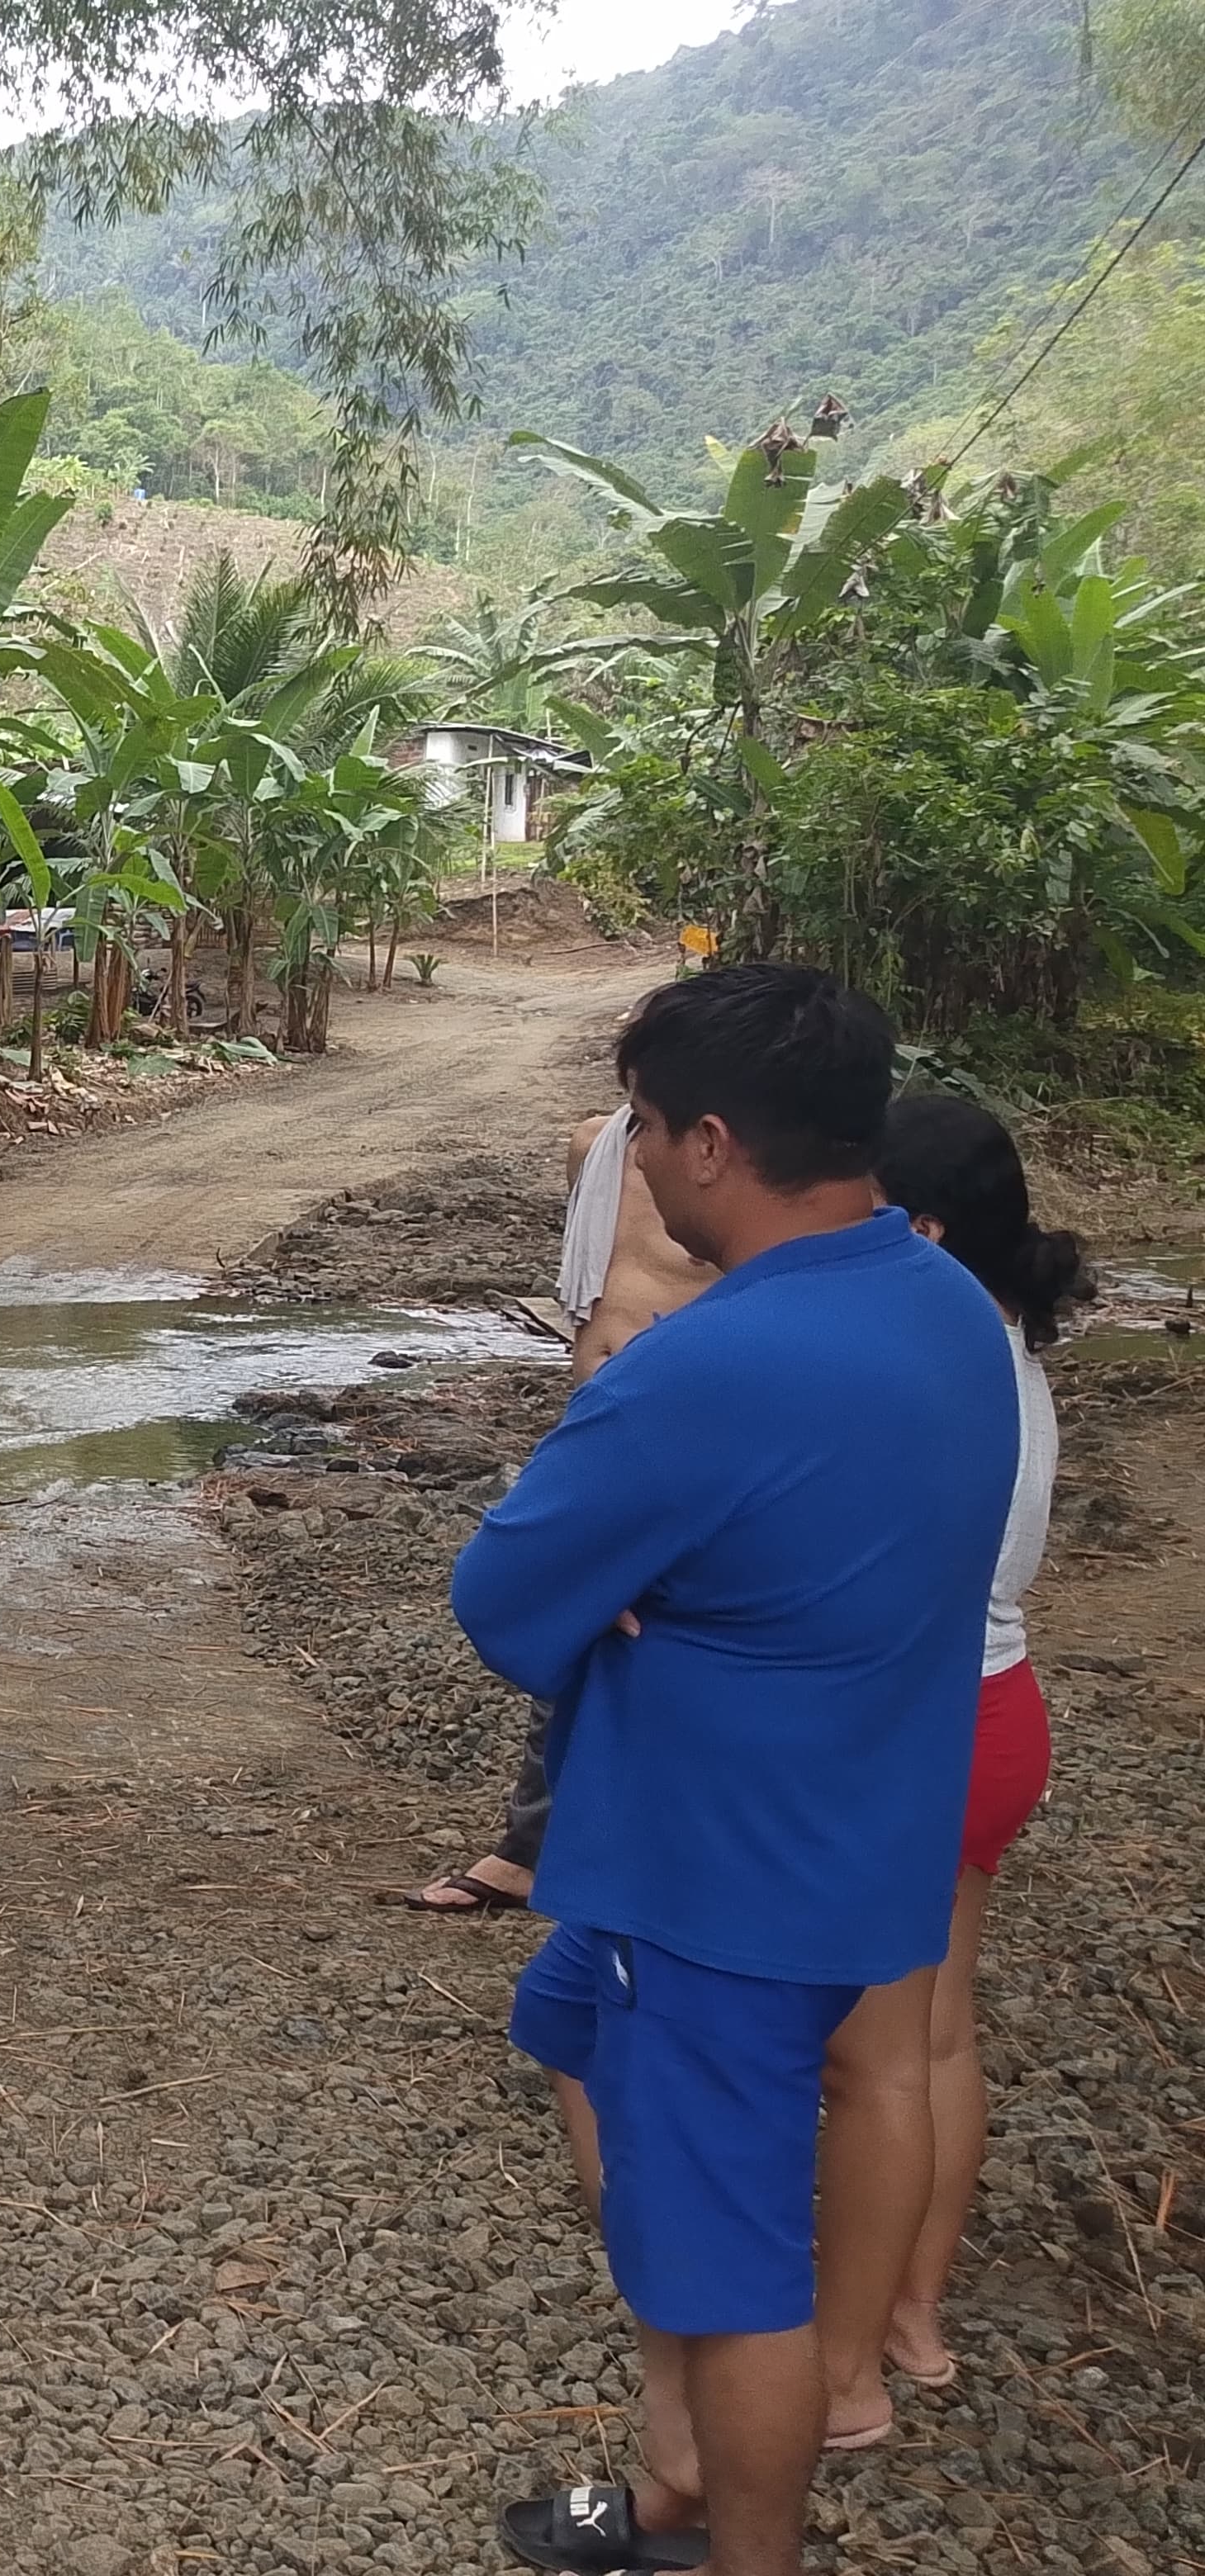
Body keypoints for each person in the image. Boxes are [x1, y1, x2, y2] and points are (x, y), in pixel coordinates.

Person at [451, 966, 1016, 2576]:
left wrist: (627, 1593)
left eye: (640, 1128)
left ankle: (727, 2538)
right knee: (563, 2021)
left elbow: (503, 1601)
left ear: (710, 1143)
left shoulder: (706, 1365)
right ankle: (681, 2466)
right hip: (863, 1842)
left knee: (737, 2272)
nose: (632, 1160)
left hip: (715, 1884)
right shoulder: (944, 1305)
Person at [811, 1095, 1090, 2439]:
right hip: (1002, 1709)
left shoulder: (927, 1355)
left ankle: (847, 2371)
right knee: (937, 2035)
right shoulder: (1011, 1343)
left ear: (920, 1230)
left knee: (872, 2062)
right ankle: (915, 2315)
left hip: (923, 1722)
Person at [401, 1105, 715, 1914]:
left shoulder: (736, 1166)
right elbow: (595, 1284)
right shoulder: (599, 1146)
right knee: (579, 1617)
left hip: (685, 1428)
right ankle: (533, 1846)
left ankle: (624, 1849)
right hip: (601, 1417)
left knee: (662, 1629)